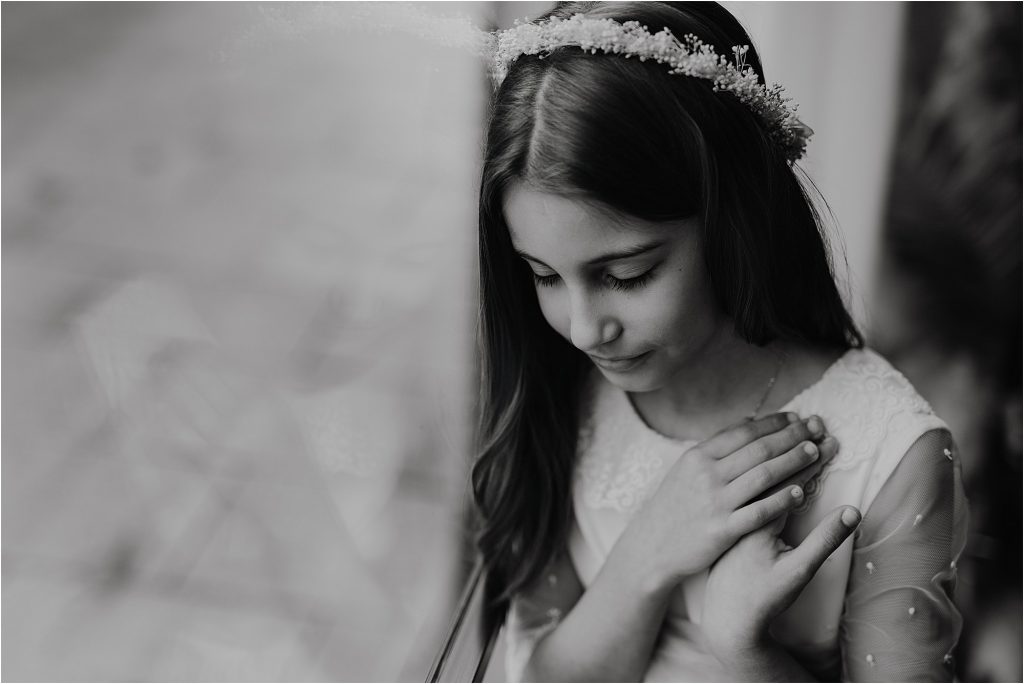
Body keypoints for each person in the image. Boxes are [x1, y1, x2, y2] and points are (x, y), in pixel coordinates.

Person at [471, 2, 968, 681]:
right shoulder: (560, 384)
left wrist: (745, 647)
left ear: (733, 218)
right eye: (544, 275)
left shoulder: (889, 452)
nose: (585, 329)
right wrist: (645, 558)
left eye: (627, 275)